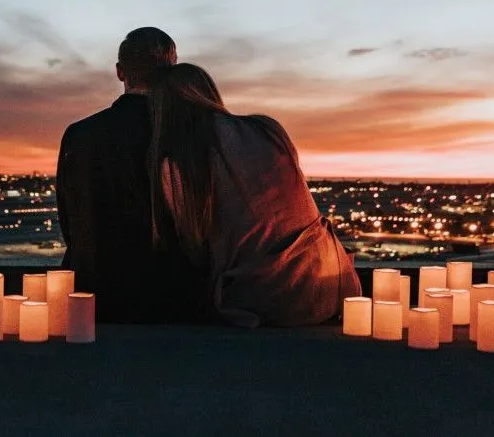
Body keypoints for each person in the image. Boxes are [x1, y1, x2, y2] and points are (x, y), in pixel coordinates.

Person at [149, 63, 361, 327]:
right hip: (332, 283)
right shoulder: (267, 129)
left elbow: (194, 246)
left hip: (266, 299)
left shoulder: (179, 164)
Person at [57, 27, 205, 323]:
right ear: (172, 70)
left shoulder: (79, 135)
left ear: (120, 71)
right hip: (172, 299)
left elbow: (71, 223)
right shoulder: (189, 133)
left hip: (93, 296)